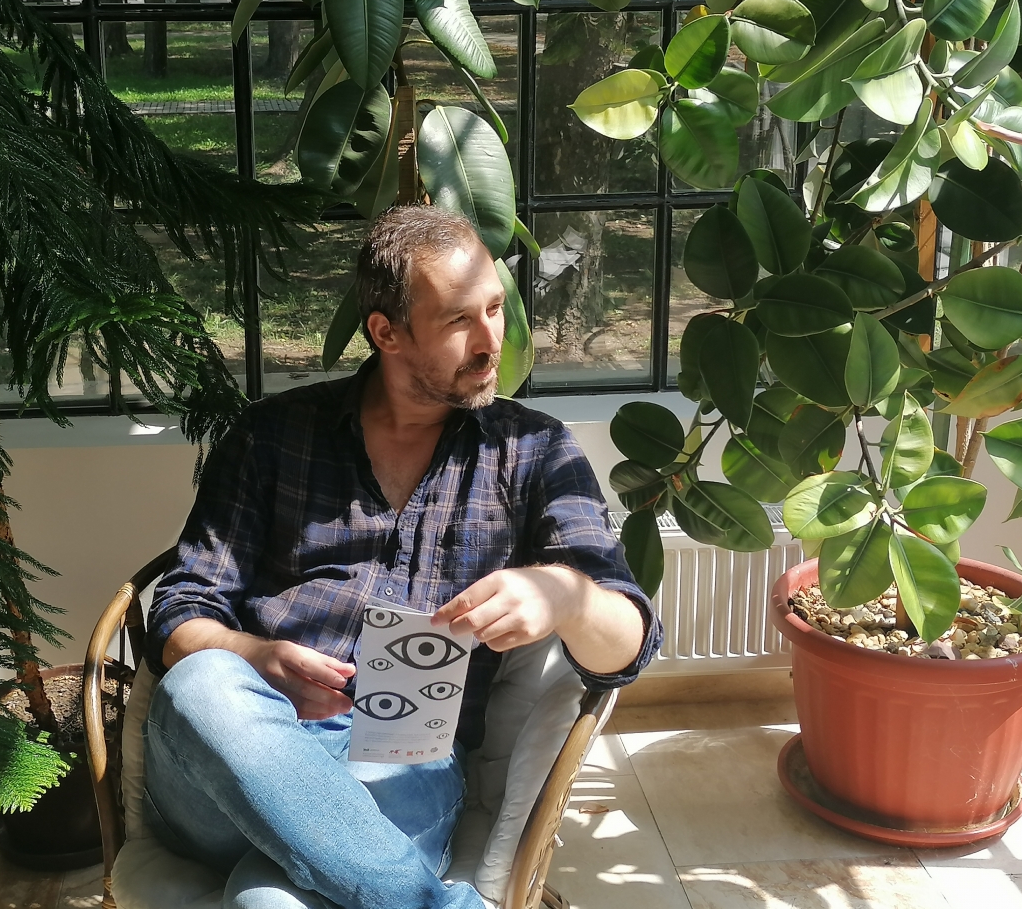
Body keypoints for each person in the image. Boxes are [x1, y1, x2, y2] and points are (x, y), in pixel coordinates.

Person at [142, 204, 661, 909]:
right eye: (458, 320)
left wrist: (566, 596)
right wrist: (252, 655)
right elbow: (180, 609)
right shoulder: (273, 437)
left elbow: (628, 647)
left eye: (495, 309)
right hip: (241, 756)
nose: (491, 341)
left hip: (406, 761)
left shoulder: (533, 450)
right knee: (203, 682)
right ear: (386, 332)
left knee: (264, 904)